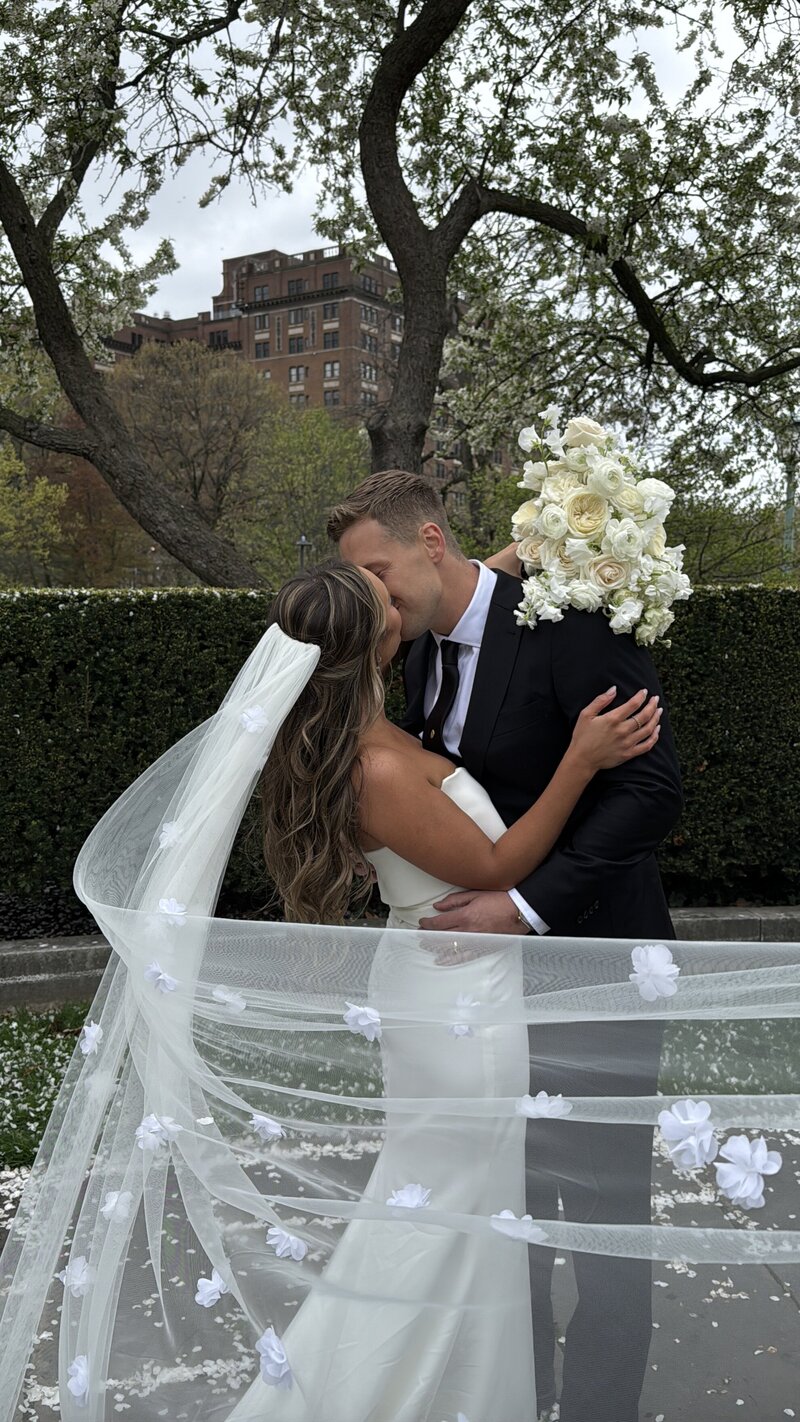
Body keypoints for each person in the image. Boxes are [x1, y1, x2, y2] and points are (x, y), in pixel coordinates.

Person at [220, 558, 659, 1422]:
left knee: (447, 1201)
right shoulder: (377, 768)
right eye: (386, 595)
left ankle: (464, 1388)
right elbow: (499, 865)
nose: (402, 597)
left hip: (440, 979)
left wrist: (510, 552)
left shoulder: (371, 722)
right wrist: (579, 759)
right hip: (458, 997)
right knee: (449, 1209)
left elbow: (445, 577)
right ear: (375, 642)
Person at [327, 470, 684, 1422]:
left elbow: (653, 790)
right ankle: (513, 1400)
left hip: (596, 967)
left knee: (606, 1226)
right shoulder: (408, 649)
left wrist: (524, 907)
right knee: (506, 1218)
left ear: (431, 541)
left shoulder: (568, 625)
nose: (374, 597)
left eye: (380, 570)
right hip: (477, 1006)